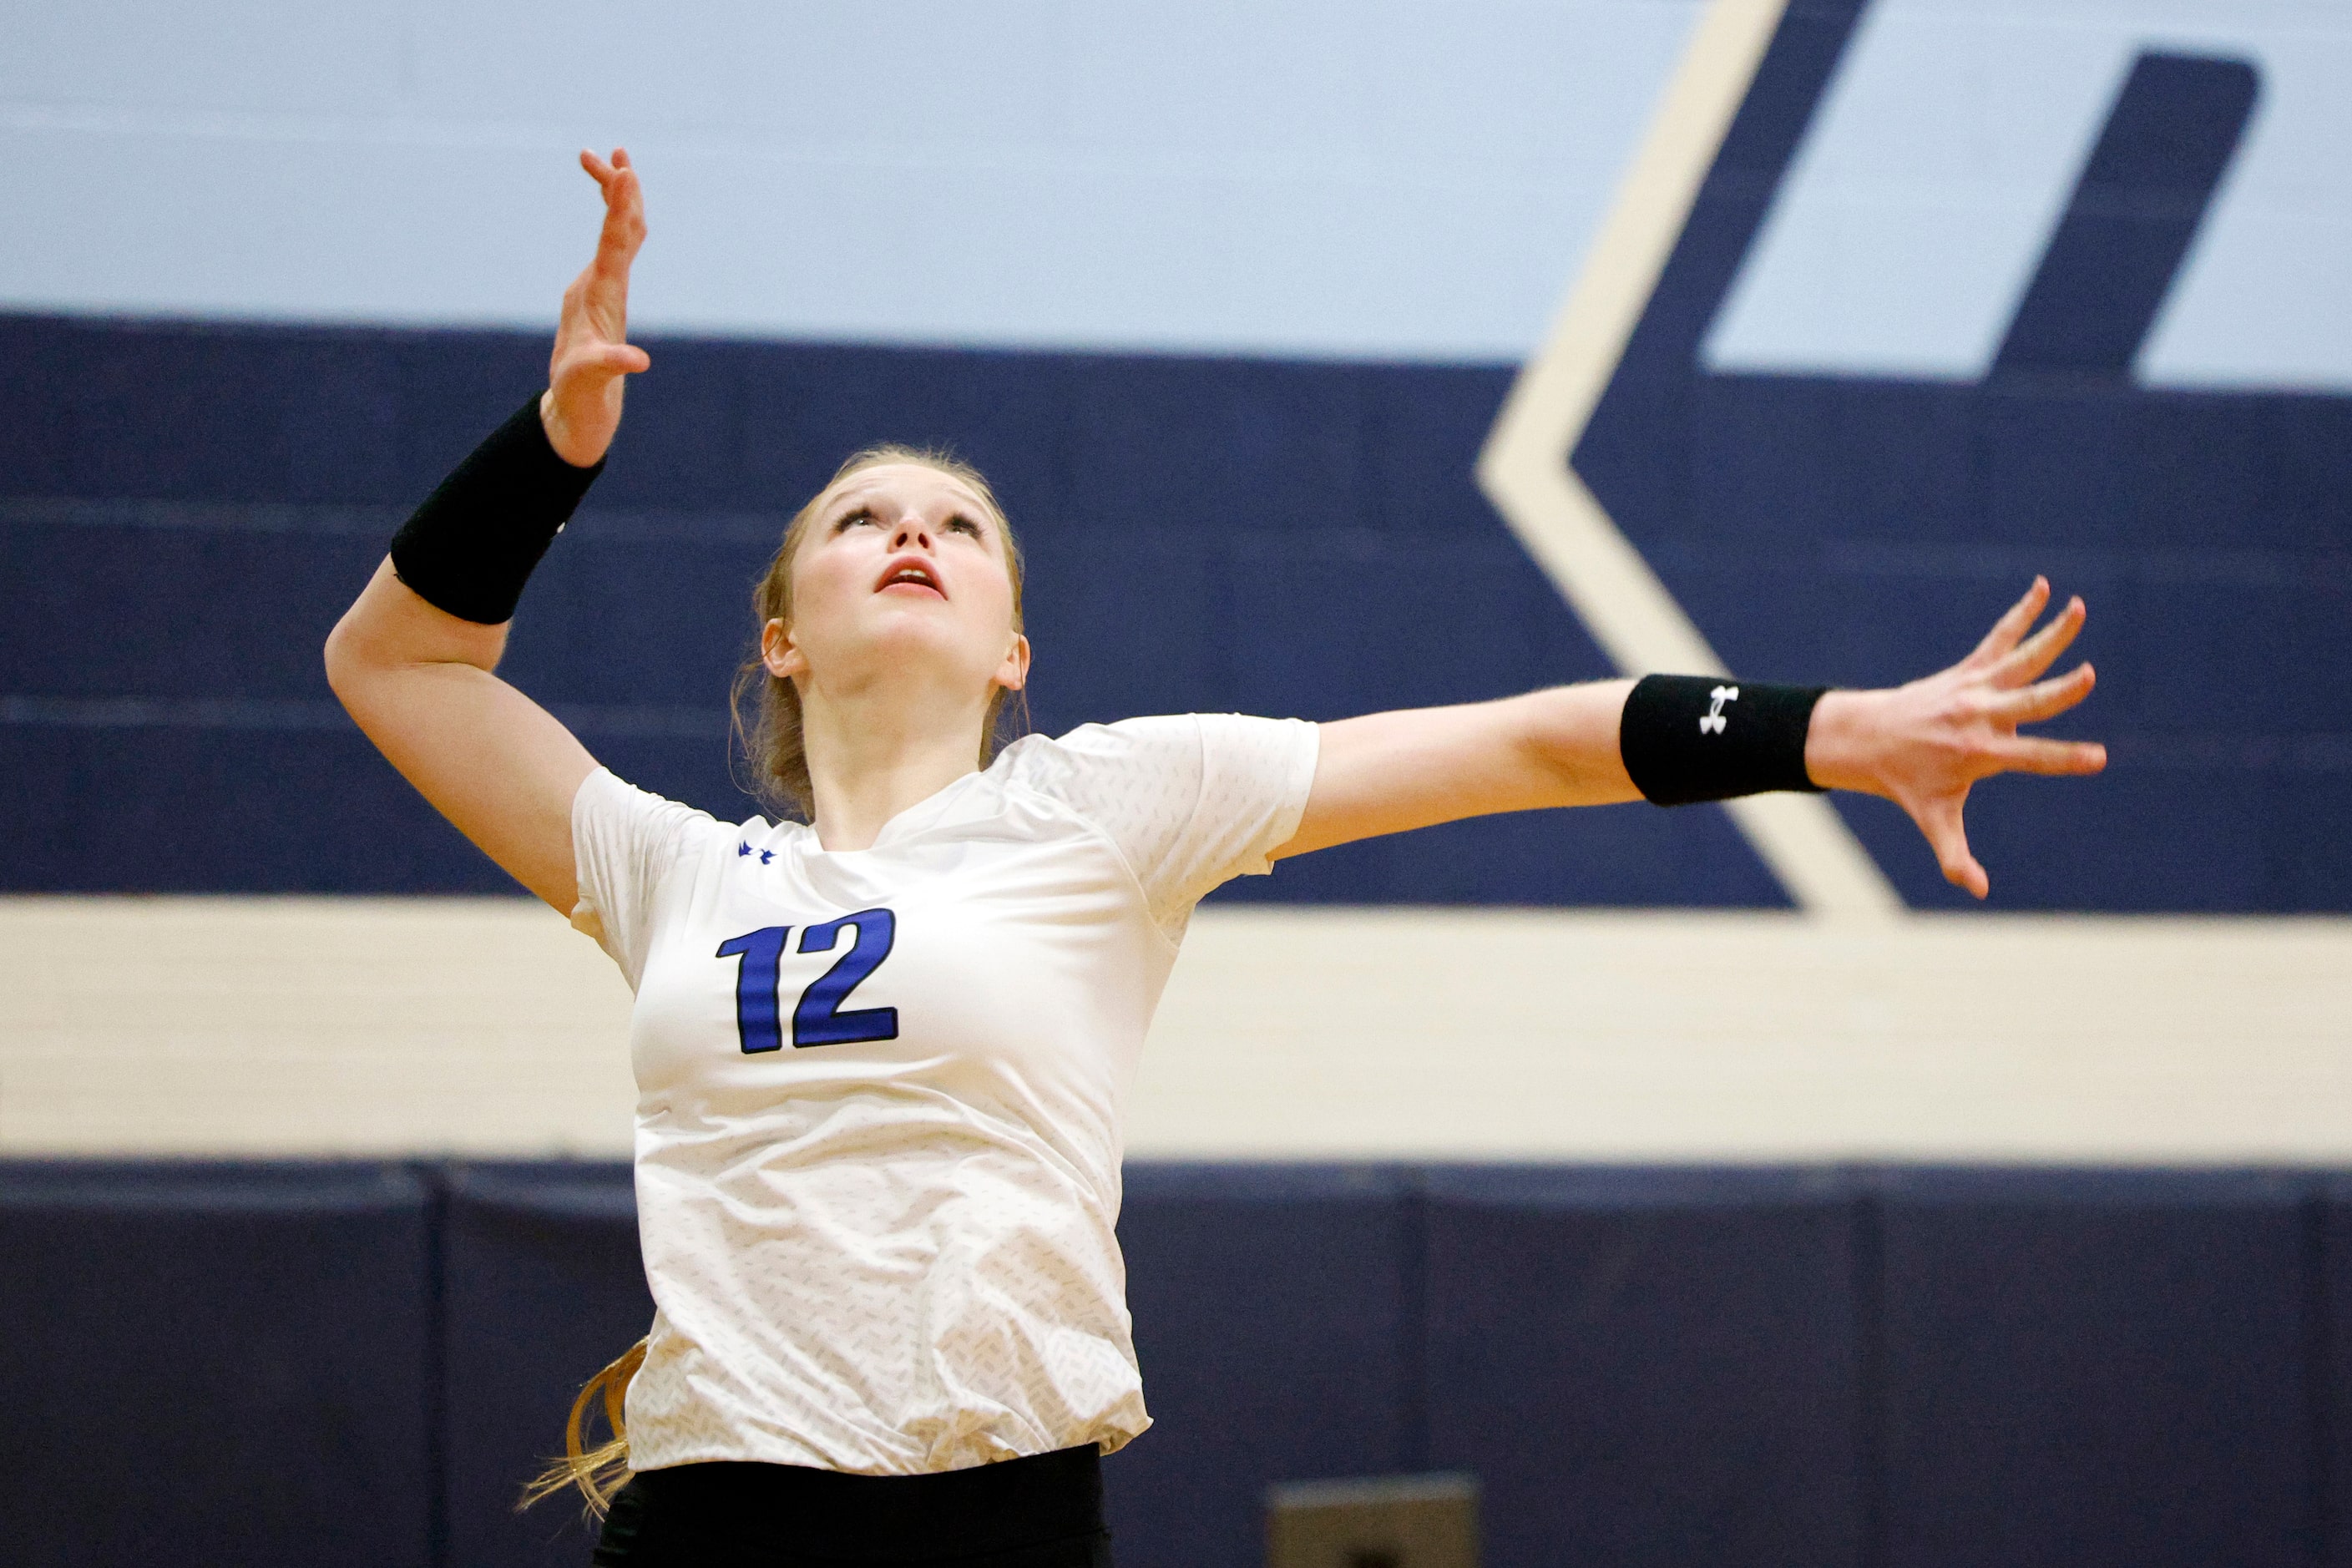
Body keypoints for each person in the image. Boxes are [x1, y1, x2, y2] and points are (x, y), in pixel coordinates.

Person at [323, 149, 2106, 1568]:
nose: (912, 534)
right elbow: (392, 663)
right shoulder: (668, 873)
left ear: (1014, 644)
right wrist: (554, 444)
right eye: (859, 520)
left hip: (994, 1513)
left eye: (958, 523)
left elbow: (1527, 740)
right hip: (711, 1513)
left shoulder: (1104, 808)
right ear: (783, 633)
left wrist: (1828, 733)